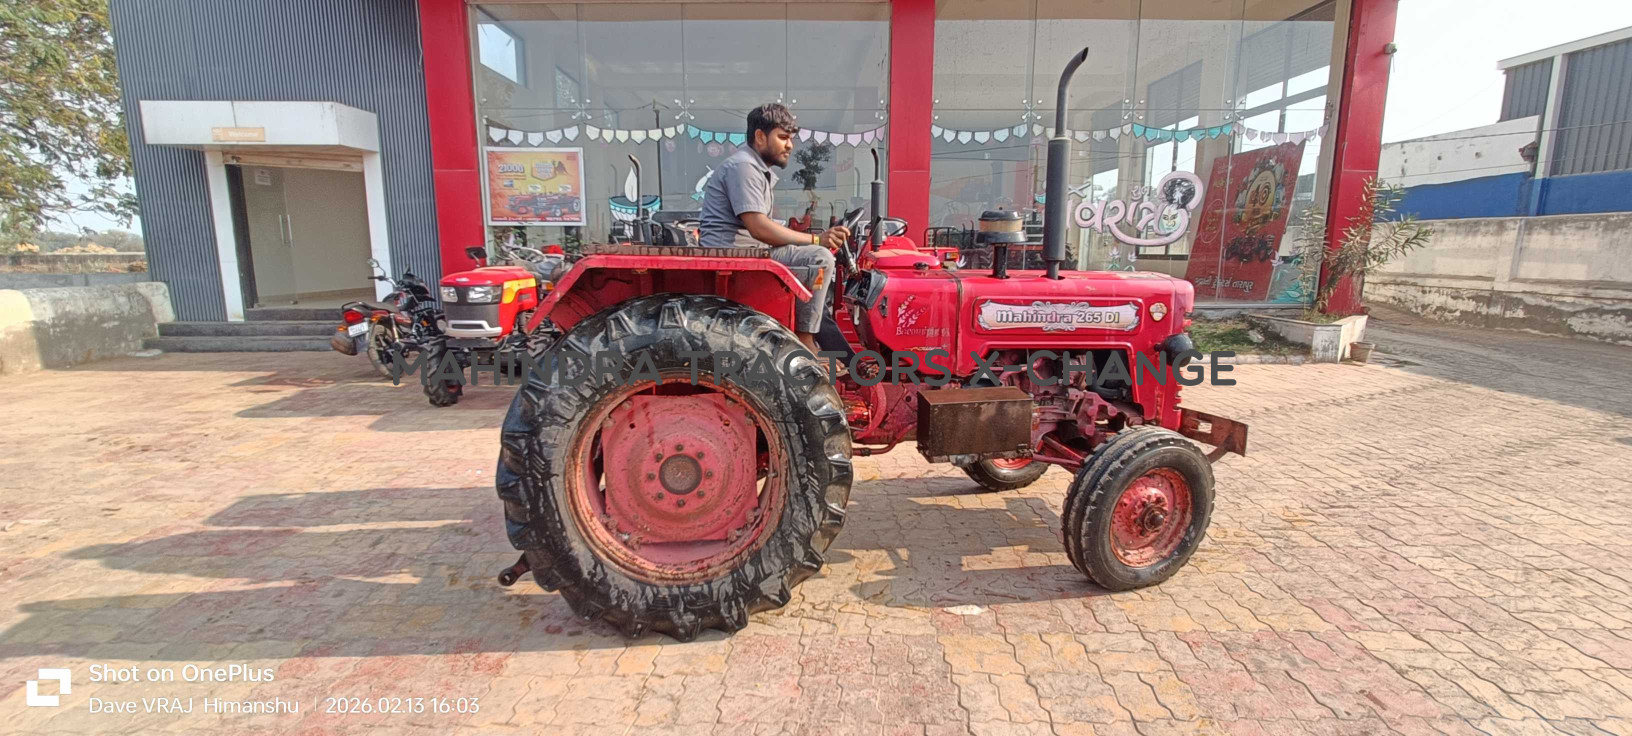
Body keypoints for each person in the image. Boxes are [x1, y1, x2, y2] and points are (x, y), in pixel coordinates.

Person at [699, 103, 850, 352]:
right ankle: (805, 340)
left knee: (813, 253)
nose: (789, 145)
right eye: (782, 137)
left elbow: (763, 225)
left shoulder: (753, 168)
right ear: (760, 136)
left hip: (746, 249)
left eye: (790, 138)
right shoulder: (744, 167)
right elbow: (759, 228)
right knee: (819, 258)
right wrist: (815, 241)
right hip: (736, 253)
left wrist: (807, 236)